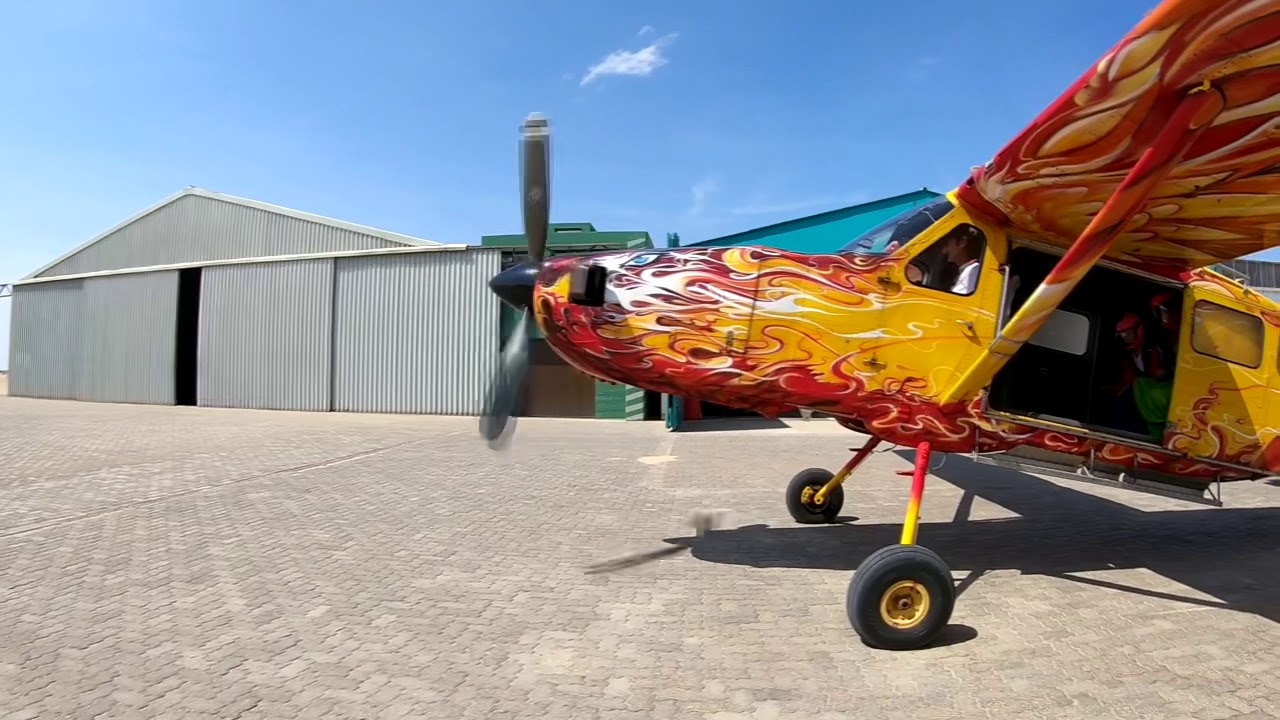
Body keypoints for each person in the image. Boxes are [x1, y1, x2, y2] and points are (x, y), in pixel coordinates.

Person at [1110, 311, 1173, 440]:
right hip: (1144, 401)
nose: (1125, 338)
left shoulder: (1153, 350)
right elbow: (1127, 379)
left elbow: (1162, 374)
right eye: (1121, 336)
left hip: (1158, 401)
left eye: (1128, 334)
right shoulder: (1129, 356)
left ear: (1139, 330)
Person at [941, 226, 983, 294]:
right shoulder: (967, 270)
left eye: (946, 244)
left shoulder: (973, 271)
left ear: (962, 242)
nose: (944, 251)